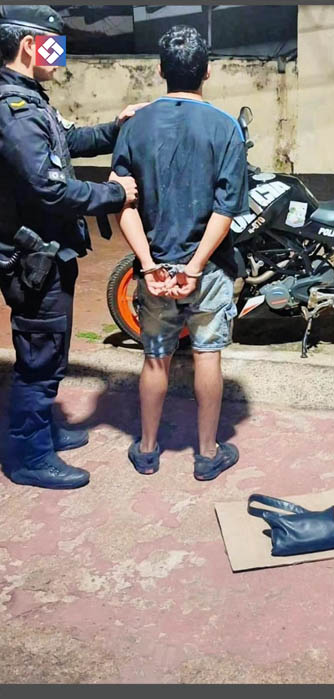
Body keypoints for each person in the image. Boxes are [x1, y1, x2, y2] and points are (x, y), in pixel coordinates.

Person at [0, 5, 141, 489]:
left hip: (49, 252)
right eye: (54, 47)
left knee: (50, 351)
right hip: (32, 257)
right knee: (39, 359)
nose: (60, 59)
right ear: (28, 45)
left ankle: (40, 432)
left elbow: (70, 141)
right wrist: (114, 194)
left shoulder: (29, 99)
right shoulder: (13, 111)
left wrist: (116, 128)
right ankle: (29, 457)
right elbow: (50, 189)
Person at [112, 25, 248, 481]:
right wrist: (194, 267)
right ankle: (207, 455)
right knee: (208, 355)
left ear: (160, 71)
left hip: (155, 270)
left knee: (155, 356)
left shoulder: (135, 126)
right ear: (207, 72)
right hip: (206, 270)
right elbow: (226, 210)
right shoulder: (226, 128)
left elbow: (123, 204)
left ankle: (147, 449)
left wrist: (149, 264)